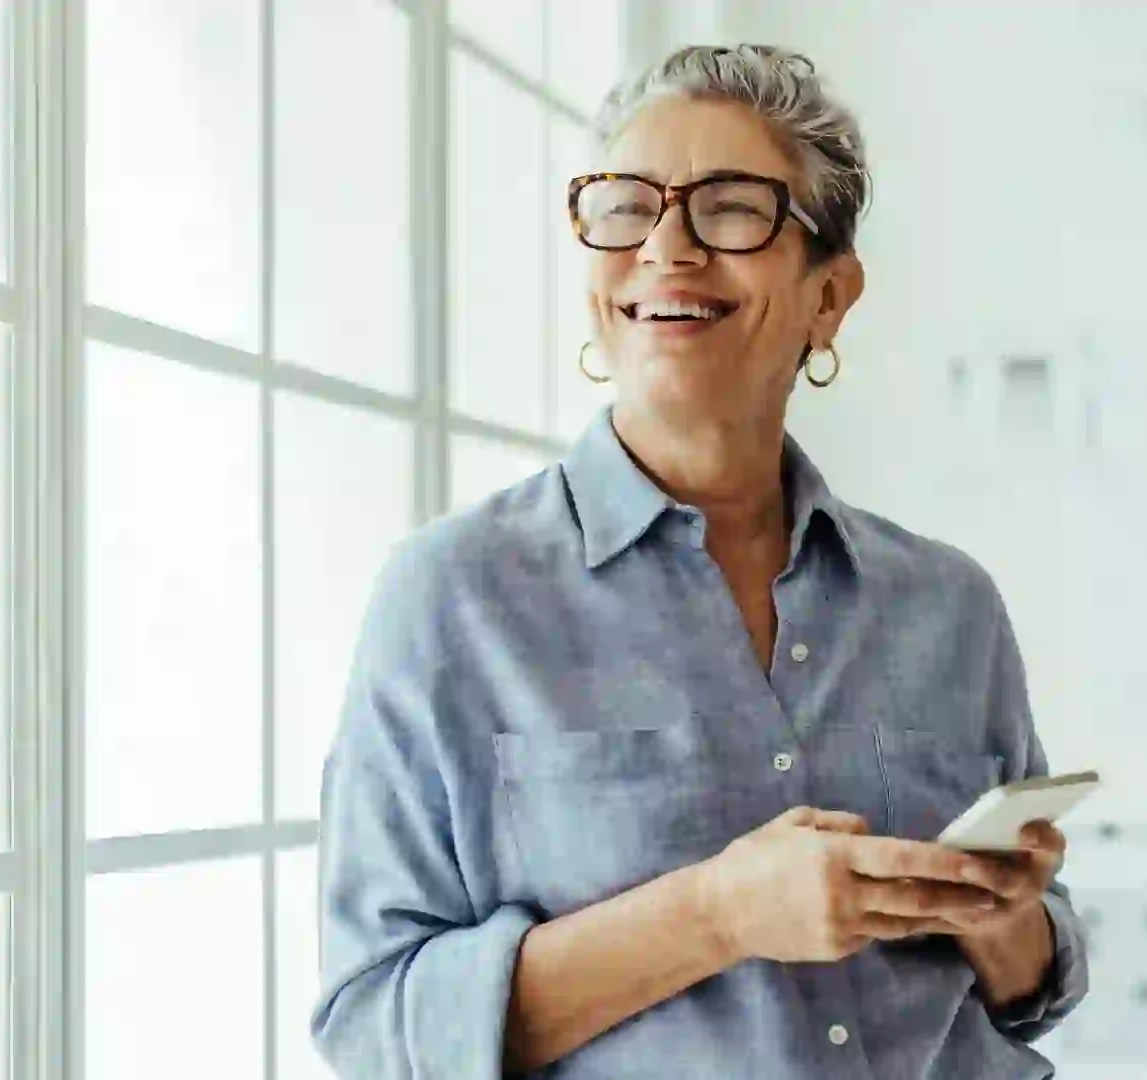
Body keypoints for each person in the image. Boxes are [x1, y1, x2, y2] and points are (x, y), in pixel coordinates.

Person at [313, 44, 1089, 1080]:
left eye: (731, 209)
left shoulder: (947, 605)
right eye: (628, 207)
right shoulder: (454, 599)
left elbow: (1032, 990)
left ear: (829, 297)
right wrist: (715, 914)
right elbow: (377, 1029)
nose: (667, 248)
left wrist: (1002, 917)